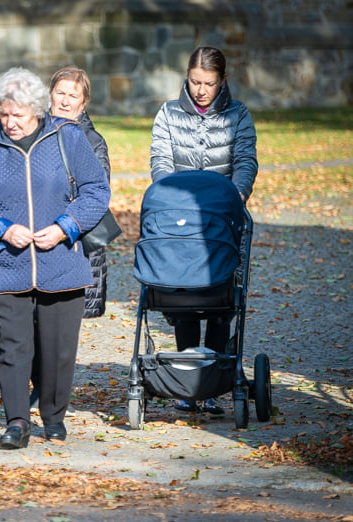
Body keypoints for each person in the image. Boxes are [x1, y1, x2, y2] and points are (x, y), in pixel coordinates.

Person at [0, 68, 110, 449]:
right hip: (7, 264)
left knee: (59, 350)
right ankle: (17, 421)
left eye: (18, 116)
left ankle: (54, 415)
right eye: (4, 115)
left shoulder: (68, 138)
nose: (9, 123)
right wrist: (1, 228)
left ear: (38, 111)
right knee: (13, 348)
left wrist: (65, 226)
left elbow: (96, 191)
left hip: (61, 261)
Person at [150, 46, 257, 415]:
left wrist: (233, 197)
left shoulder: (238, 115)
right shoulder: (167, 113)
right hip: (179, 223)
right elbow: (161, 162)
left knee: (220, 301)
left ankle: (209, 382)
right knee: (184, 298)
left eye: (208, 83)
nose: (200, 90)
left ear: (222, 80)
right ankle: (185, 378)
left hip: (223, 221)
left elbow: (245, 161)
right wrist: (172, 203)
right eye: (195, 81)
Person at [49, 65, 111, 317]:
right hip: (33, 241)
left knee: (63, 329)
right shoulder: (30, 132)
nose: (64, 102)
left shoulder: (93, 142)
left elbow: (96, 198)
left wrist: (62, 225)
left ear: (83, 104)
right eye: (59, 93)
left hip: (75, 243)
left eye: (73, 96)